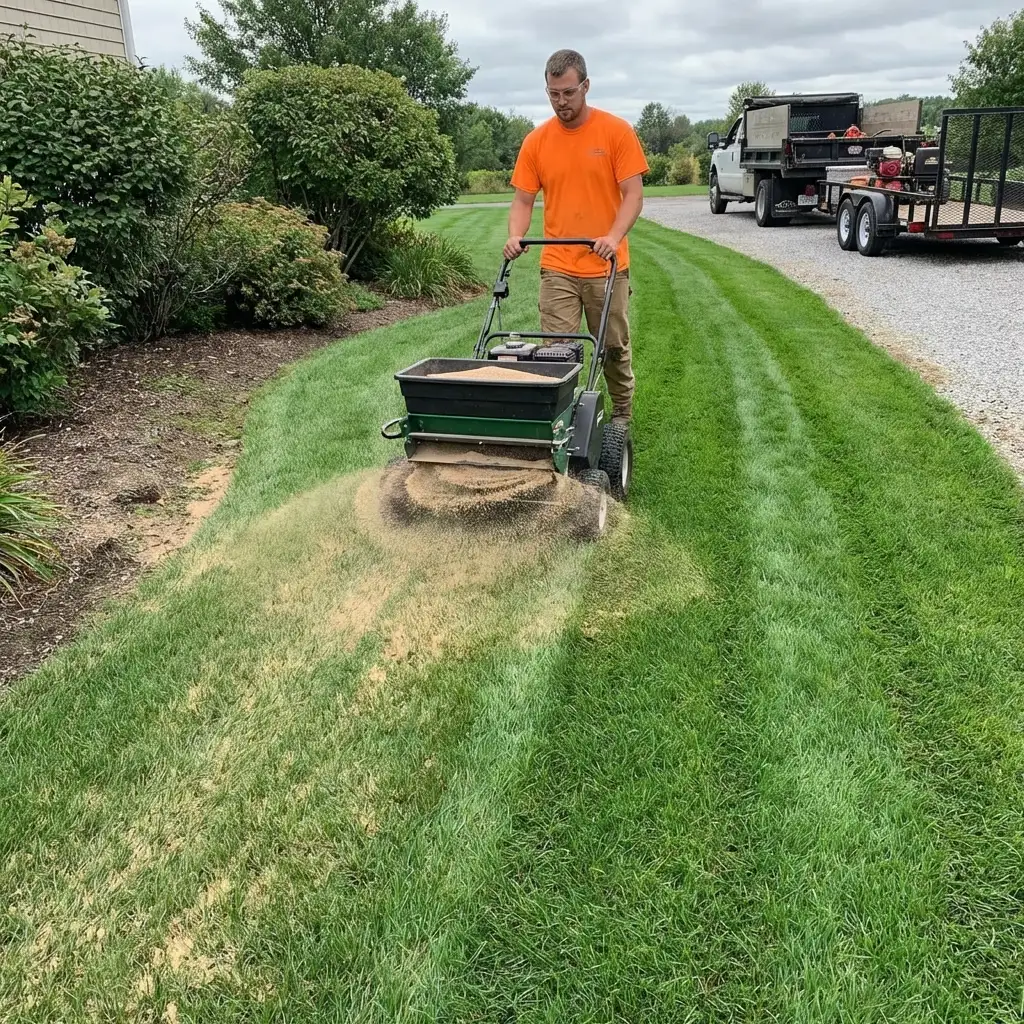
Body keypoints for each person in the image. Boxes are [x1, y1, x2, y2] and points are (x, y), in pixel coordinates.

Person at [504, 49, 648, 426]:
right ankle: (562, 420)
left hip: (606, 264)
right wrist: (515, 236)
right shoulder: (537, 141)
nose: (561, 102)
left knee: (613, 346)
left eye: (568, 93)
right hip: (557, 266)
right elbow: (522, 199)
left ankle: (621, 413)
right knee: (556, 352)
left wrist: (614, 236)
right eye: (553, 94)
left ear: (585, 86)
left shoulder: (616, 132)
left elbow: (633, 195)